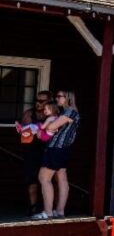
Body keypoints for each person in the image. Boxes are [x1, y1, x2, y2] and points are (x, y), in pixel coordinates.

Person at [33, 90, 80, 220]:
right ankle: (59, 211)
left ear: (68, 98)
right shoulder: (66, 113)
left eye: (60, 96)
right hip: (62, 150)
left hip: (56, 149)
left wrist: (48, 125)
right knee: (62, 179)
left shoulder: (69, 112)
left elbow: (51, 127)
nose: (57, 98)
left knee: (44, 178)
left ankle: (47, 212)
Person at [17, 89, 51, 216]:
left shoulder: (52, 115)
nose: (38, 103)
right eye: (37, 100)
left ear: (48, 102)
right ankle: (33, 206)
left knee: (48, 180)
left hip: (48, 151)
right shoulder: (28, 114)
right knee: (32, 180)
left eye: (42, 101)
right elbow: (23, 134)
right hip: (31, 151)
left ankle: (49, 207)